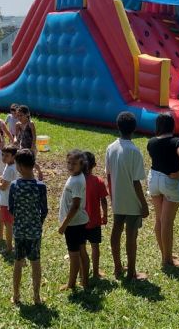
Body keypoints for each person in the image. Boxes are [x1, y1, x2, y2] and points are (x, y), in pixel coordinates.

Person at [106, 111, 149, 281]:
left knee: (116, 232)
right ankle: (131, 272)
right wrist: (144, 205)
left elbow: (108, 175)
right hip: (132, 202)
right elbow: (136, 182)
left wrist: (112, 196)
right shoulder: (134, 152)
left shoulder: (111, 148)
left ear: (118, 127)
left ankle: (117, 268)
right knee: (131, 236)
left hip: (118, 199)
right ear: (134, 129)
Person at [146, 113, 179, 268]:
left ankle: (165, 254)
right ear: (172, 125)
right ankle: (167, 260)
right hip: (170, 181)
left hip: (153, 180)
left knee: (159, 220)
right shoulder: (176, 141)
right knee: (167, 222)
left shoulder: (151, 142)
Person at [8, 149, 48, 305]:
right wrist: (37, 223)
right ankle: (36, 297)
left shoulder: (14, 185)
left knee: (18, 262)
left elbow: (11, 209)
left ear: (20, 167)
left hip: (18, 230)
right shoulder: (40, 186)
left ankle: (16, 296)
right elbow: (44, 210)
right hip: (35, 231)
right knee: (35, 262)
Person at [58, 149, 90, 290]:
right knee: (81, 251)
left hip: (73, 224)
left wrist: (64, 224)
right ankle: (84, 280)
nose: (70, 166)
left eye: (74, 163)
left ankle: (71, 284)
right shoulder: (77, 176)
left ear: (81, 164)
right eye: (69, 162)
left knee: (74, 255)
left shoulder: (77, 181)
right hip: (78, 222)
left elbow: (75, 205)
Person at [80, 151, 108, 279]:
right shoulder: (99, 181)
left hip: (79, 222)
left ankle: (82, 271)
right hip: (95, 221)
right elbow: (103, 201)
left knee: (81, 248)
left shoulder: (76, 181)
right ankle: (95, 272)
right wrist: (105, 215)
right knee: (95, 247)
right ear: (95, 165)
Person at [0, 145, 18, 253]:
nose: (4, 158)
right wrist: (3, 177)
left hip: (6, 201)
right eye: (3, 155)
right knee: (13, 224)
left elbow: (3, 187)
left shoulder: (9, 169)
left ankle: (9, 247)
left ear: (14, 157)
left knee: (8, 225)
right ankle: (16, 246)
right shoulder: (14, 166)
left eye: (7, 156)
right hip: (14, 200)